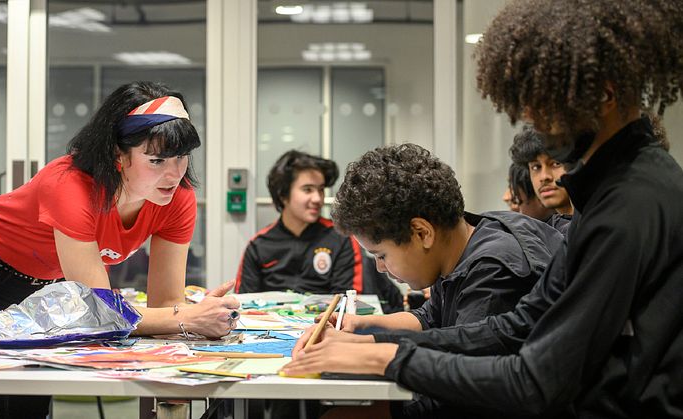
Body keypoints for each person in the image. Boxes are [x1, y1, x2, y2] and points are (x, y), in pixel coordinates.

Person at [283, 0, 683, 417]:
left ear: (602, 95)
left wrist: (382, 359)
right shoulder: (609, 191)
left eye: (542, 101)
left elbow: (537, 381)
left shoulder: (627, 206)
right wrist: (373, 342)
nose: (529, 117)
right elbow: (514, 328)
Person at [0, 81, 240, 418]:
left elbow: (166, 303)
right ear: (117, 156)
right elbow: (101, 313)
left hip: (46, 283)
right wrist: (188, 316)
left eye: (182, 157)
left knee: (32, 395)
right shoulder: (69, 185)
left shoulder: (177, 198)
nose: (174, 173)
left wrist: (195, 317)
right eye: (156, 160)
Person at [289, 143, 562, 417]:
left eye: (381, 255)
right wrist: (363, 325)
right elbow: (431, 318)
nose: (381, 268)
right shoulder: (463, 241)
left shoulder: (493, 272)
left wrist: (376, 387)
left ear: (421, 233)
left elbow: (462, 391)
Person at [235, 150, 363, 295]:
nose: (317, 199)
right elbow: (243, 303)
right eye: (307, 190)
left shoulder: (341, 238)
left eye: (321, 190)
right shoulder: (258, 245)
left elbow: (348, 301)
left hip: (326, 318)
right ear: (283, 195)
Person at [510, 126, 573, 234]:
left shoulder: (595, 221)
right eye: (536, 167)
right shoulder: (546, 235)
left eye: (555, 164)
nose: (544, 177)